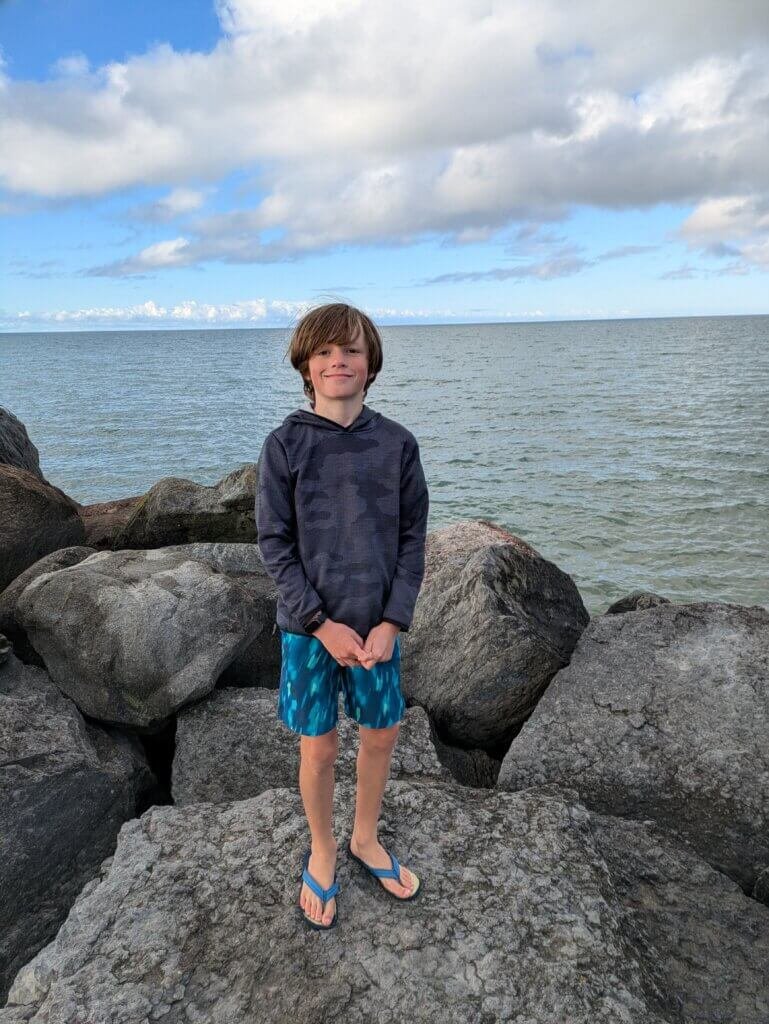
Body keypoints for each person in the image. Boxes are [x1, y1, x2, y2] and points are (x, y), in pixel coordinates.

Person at [256, 302, 429, 930]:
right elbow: (274, 544)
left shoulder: (398, 444)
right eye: (325, 351)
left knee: (381, 732)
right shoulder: (285, 446)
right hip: (310, 633)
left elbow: (413, 539)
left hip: (377, 626)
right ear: (306, 365)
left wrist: (392, 622)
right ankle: (323, 846)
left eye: (352, 349)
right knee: (320, 745)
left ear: (370, 364)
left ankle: (364, 836)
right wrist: (319, 624)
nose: (339, 360)